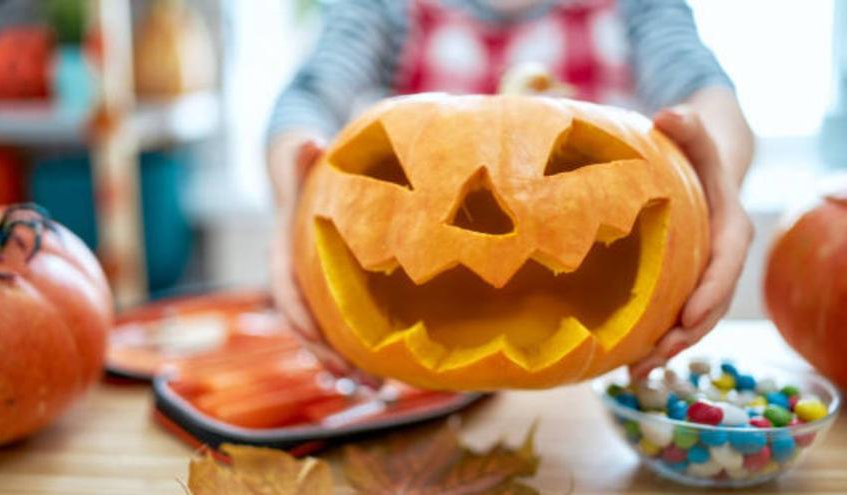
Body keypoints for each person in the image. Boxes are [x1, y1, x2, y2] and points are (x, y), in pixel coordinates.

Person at [265, 0, 755, 381]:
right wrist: (295, 193)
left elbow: (703, 90)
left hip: (594, 391)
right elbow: (309, 98)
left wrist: (717, 186)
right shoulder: (387, 8)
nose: (494, 219)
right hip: (413, 400)